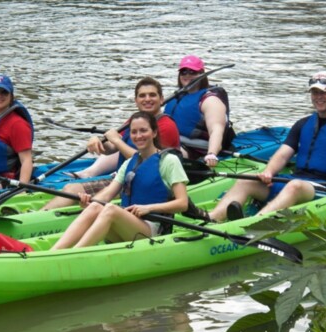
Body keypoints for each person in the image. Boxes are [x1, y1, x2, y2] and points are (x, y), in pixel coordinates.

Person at [206, 70, 326, 222]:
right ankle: (211, 219)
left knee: (295, 186)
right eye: (314, 92)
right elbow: (282, 155)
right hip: (297, 181)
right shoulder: (303, 124)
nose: (318, 97)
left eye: (324, 92)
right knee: (247, 180)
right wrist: (269, 172)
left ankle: (254, 225)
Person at [51, 111, 188, 249]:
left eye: (143, 131)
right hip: (128, 225)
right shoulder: (129, 163)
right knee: (95, 206)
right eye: (134, 132)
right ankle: (54, 252)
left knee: (111, 209)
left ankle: (73, 254)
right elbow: (107, 194)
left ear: (154, 133)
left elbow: (183, 203)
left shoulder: (169, 161)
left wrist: (148, 208)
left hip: (153, 230)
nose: (138, 136)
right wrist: (88, 203)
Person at [41, 77, 180, 211]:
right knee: (71, 189)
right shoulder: (135, 120)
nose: (147, 99)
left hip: (142, 184)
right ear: (136, 101)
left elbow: (149, 163)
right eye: (142, 96)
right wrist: (99, 142)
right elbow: (112, 148)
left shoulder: (166, 126)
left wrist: (116, 140)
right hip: (123, 177)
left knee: (72, 190)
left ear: (161, 99)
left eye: (152, 95)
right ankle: (42, 214)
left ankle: (39, 218)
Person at [164, 55, 236, 167]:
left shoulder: (210, 100)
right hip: (174, 144)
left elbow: (216, 129)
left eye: (192, 72)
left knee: (169, 155)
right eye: (183, 72)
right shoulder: (177, 97)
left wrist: (212, 153)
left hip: (197, 151)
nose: (187, 75)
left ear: (201, 74)